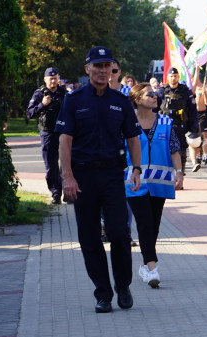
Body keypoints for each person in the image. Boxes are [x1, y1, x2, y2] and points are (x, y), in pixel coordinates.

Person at [56, 46, 142, 314]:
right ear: (87, 69)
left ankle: (123, 286)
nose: (104, 71)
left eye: (108, 66)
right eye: (98, 66)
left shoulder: (121, 101)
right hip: (82, 178)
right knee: (90, 237)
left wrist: (136, 169)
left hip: (113, 175)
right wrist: (67, 177)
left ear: (113, 70)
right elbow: (64, 141)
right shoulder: (73, 100)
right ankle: (103, 293)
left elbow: (132, 137)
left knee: (119, 232)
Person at [125, 83, 182, 289]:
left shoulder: (166, 121)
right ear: (138, 100)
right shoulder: (127, 121)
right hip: (134, 183)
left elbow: (174, 149)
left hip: (160, 183)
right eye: (150, 95)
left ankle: (144, 264)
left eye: (155, 94)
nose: (155, 97)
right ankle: (152, 268)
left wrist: (179, 172)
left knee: (154, 226)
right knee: (144, 223)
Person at [25, 67, 67, 204]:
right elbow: (29, 114)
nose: (54, 80)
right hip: (48, 132)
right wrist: (42, 105)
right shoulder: (39, 94)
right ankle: (55, 193)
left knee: (67, 163)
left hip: (64, 132)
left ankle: (67, 193)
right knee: (51, 165)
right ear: (45, 79)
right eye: (51, 78)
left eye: (55, 78)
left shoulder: (64, 93)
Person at [160, 67, 198, 174]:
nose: (173, 78)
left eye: (175, 76)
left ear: (178, 77)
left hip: (181, 125)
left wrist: (194, 127)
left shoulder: (185, 91)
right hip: (166, 126)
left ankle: (181, 173)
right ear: (168, 77)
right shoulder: (162, 91)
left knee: (181, 150)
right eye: (171, 76)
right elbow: (155, 108)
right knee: (165, 150)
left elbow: (192, 110)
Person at [193, 75, 207, 170]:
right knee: (197, 136)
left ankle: (206, 157)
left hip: (203, 114)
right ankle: (198, 156)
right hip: (194, 114)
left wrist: (205, 93)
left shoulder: (203, 88)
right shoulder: (193, 88)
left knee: (205, 135)